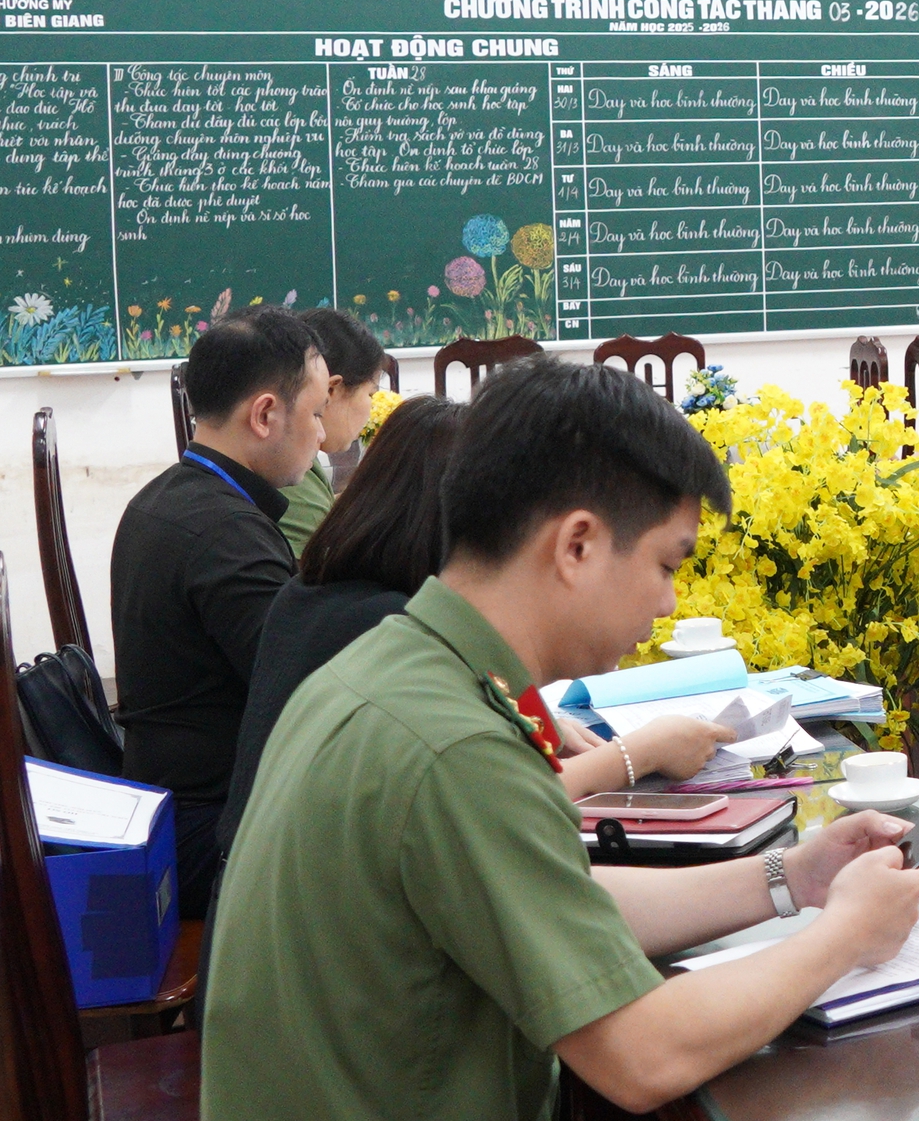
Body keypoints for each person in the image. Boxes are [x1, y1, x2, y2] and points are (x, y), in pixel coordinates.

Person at [205, 360, 919, 1118]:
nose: (667, 602)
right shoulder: (455, 745)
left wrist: (795, 876)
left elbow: (558, 896)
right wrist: (848, 933)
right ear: (577, 545)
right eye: (665, 564)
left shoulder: (392, 667)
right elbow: (643, 1053)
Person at [219, 397, 732, 859]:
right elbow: (502, 787)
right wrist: (640, 751)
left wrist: (542, 723)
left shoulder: (325, 594)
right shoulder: (387, 630)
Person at [112, 308, 327, 916]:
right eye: (314, 414)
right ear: (264, 415)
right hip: (206, 830)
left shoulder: (164, 498)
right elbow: (306, 693)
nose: (321, 436)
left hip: (175, 800)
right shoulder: (225, 533)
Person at [276, 305, 389, 555]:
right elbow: (321, 563)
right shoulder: (287, 469)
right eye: (370, 393)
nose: (371, 406)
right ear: (331, 389)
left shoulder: (297, 453)